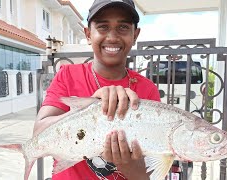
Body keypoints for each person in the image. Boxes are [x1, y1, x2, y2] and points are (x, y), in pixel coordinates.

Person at [33, 0, 161, 179]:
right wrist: (91, 109)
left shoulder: (147, 90)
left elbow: (148, 174)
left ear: (135, 35)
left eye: (123, 27)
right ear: (87, 34)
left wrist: (127, 163)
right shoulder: (68, 75)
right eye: (102, 27)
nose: (112, 37)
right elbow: (39, 133)